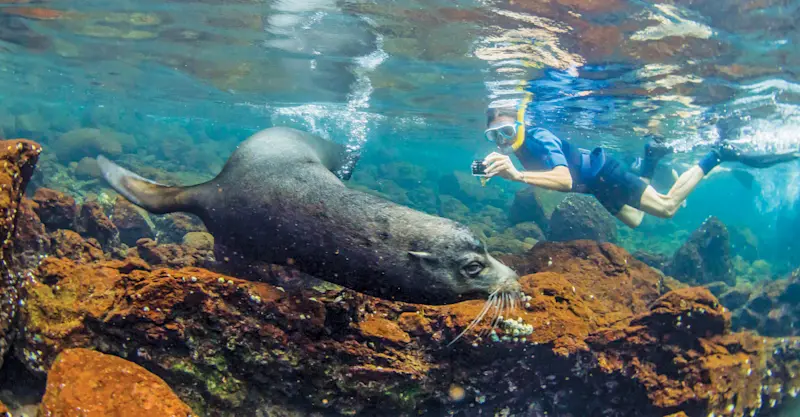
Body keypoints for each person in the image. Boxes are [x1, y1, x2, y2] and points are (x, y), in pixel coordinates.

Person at [481, 104, 800, 228]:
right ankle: (650, 159)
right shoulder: (519, 148)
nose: (502, 141)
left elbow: (563, 180)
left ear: (520, 126)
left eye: (507, 132)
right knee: (634, 219)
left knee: (667, 207)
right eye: (494, 136)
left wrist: (517, 174)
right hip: (596, 186)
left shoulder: (538, 137)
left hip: (606, 173)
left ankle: (716, 154)